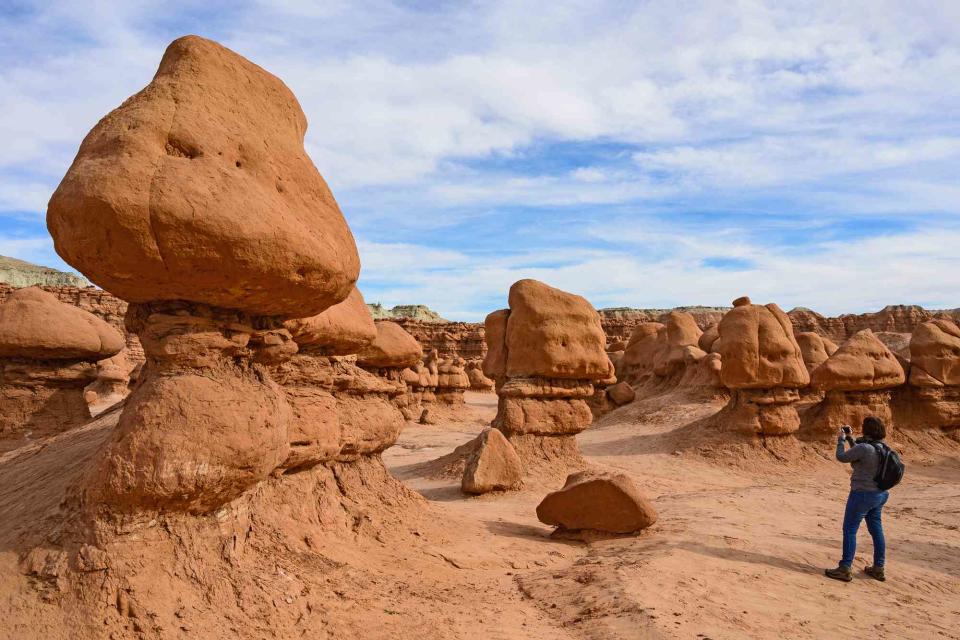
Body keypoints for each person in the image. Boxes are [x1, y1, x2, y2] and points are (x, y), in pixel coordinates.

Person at [824, 416, 889, 582]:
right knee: (876, 530)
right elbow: (860, 454)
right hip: (880, 494)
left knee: (850, 529)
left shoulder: (866, 448)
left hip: (862, 494)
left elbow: (842, 457)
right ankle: (878, 568)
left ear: (867, 430)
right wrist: (851, 439)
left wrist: (841, 440)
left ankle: (845, 568)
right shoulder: (882, 447)